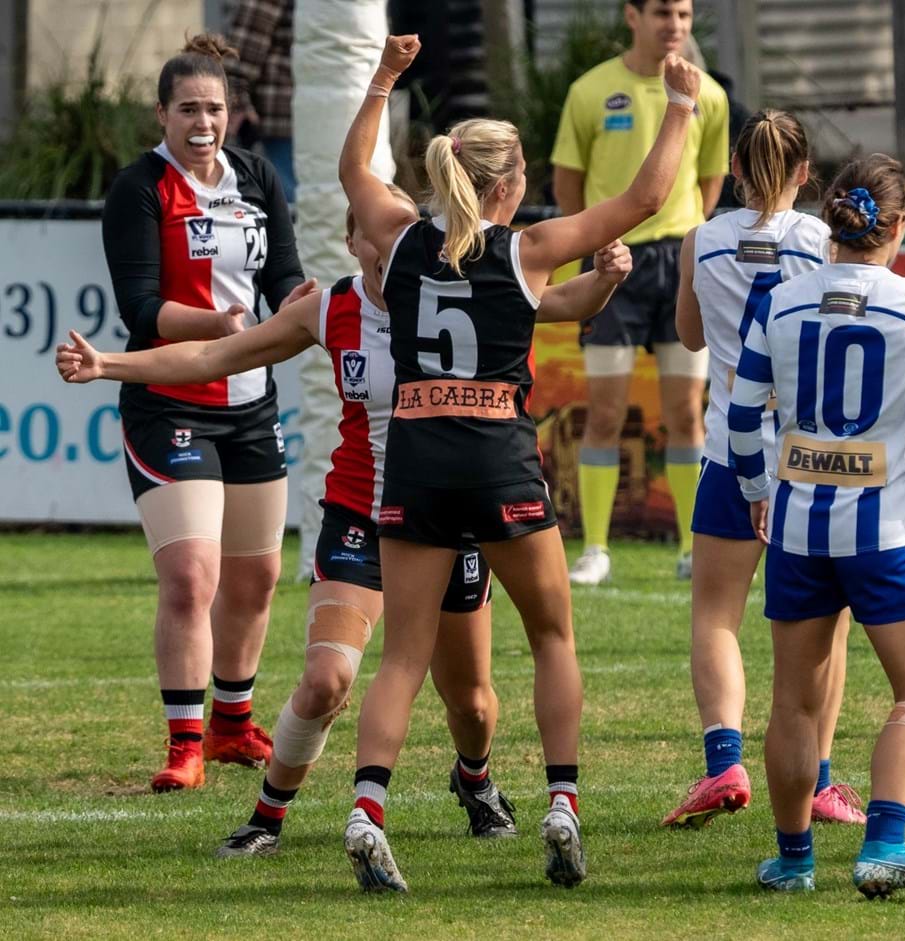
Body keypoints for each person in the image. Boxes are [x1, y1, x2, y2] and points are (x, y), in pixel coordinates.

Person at [59, 192, 633, 851]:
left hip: (445, 512)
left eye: (402, 236)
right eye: (377, 237)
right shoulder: (330, 308)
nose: (391, 249)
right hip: (363, 512)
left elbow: (561, 302)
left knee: (471, 701)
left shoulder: (468, 288)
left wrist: (605, 278)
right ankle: (266, 818)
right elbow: (215, 357)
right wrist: (109, 365)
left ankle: (474, 776)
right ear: (354, 242)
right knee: (325, 679)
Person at [335, 34, 702, 892]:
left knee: (403, 656)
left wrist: (385, 78)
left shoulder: (399, 239)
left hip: (417, 456)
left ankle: (366, 809)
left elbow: (354, 169)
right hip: (498, 454)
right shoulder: (525, 249)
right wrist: (682, 104)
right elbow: (648, 197)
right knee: (551, 636)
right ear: (503, 187)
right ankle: (562, 804)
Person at [729, 154, 905, 897]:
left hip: (798, 530)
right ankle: (885, 845)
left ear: (831, 219)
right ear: (897, 225)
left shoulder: (779, 301)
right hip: (884, 534)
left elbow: (742, 414)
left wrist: (755, 491)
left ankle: (793, 861)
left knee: (793, 705)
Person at [99, 33, 313, 793]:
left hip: (251, 405)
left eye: (214, 109)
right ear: (161, 114)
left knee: (257, 579)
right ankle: (185, 742)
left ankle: (231, 725)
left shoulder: (257, 176)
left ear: (232, 113)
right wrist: (219, 326)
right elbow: (140, 308)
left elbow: (281, 273)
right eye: (188, 109)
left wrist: (304, 302)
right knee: (192, 576)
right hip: (169, 404)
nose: (203, 122)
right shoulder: (139, 188)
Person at [666, 110, 862, 830]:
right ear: (805, 173)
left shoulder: (702, 238)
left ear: (736, 170)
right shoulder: (824, 241)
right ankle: (822, 780)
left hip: (732, 446)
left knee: (716, 615)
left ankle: (725, 762)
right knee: (826, 624)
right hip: (810, 456)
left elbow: (689, 335)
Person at [551, 0, 730, 583]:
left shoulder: (710, 94)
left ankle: (693, 547)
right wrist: (594, 242)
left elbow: (711, 182)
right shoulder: (590, 90)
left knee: (686, 413)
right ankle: (595, 550)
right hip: (612, 261)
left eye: (683, 14)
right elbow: (568, 186)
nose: (674, 25)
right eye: (661, 12)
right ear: (632, 16)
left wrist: (687, 242)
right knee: (605, 413)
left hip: (680, 265)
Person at [225, 0, 296, 203]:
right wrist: (238, 102)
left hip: (320, 120)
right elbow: (243, 46)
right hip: (280, 122)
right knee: (289, 204)